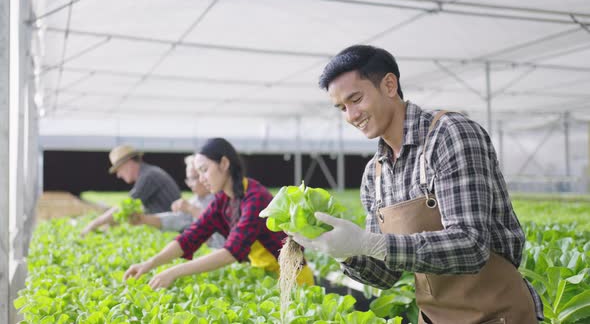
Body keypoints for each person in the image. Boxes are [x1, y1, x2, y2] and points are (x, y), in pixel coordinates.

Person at [291, 45, 543, 323]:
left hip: (498, 314)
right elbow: (385, 276)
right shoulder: (374, 174)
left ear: (389, 85)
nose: (351, 116)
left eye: (356, 99)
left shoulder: (449, 134)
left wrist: (372, 243)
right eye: (342, 108)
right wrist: (346, 252)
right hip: (434, 317)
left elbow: (471, 246)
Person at [123, 138, 314, 289]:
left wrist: (174, 272)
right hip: (264, 275)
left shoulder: (255, 198)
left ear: (224, 163)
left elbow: (230, 253)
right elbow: (189, 237)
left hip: (294, 278)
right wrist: (148, 264)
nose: (201, 179)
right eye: (198, 173)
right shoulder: (223, 201)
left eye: (204, 170)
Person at [80, 144, 181, 237]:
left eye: (118, 169)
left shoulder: (149, 177)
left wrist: (92, 225)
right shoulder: (149, 173)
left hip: (175, 230)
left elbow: (123, 208)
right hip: (170, 229)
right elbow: (129, 213)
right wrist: (107, 227)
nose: (118, 175)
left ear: (128, 162)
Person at [132, 155, 226, 247]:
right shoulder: (196, 200)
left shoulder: (224, 198)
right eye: (188, 179)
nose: (190, 184)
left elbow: (224, 236)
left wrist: (191, 209)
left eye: (193, 178)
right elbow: (174, 220)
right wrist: (143, 219)